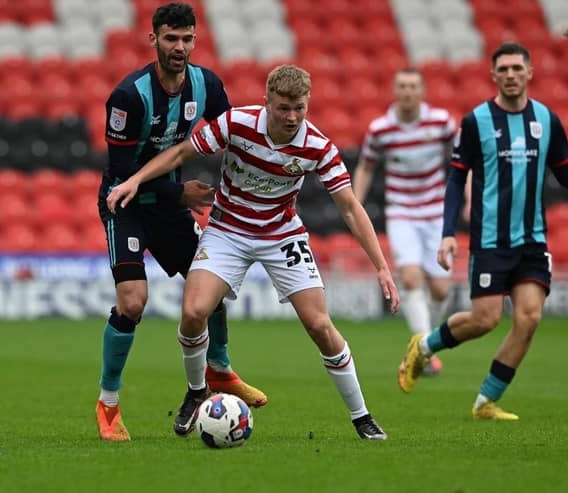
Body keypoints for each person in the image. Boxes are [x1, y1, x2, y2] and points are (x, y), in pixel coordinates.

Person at [106, 64, 400, 440]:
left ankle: (361, 416)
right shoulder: (237, 123)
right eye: (283, 108)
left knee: (319, 326)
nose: (291, 117)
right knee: (194, 311)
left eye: (299, 108)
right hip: (227, 230)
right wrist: (134, 180)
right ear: (267, 102)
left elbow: (349, 207)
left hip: (281, 235)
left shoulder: (318, 146)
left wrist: (381, 267)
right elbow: (182, 153)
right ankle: (197, 392)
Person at [95, 2, 266, 442]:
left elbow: (232, 135)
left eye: (187, 38)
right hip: (126, 205)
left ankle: (221, 371)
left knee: (210, 284)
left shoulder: (206, 84)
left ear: (195, 39)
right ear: (153, 40)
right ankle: (109, 403)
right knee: (133, 303)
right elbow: (120, 174)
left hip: (171, 206)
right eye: (170, 39)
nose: (179, 47)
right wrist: (180, 192)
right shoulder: (129, 97)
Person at [397, 42, 568, 420]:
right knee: (485, 320)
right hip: (491, 240)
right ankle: (424, 346)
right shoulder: (477, 121)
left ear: (529, 73)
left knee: (529, 318)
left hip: (532, 239)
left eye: (517, 68)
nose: (511, 75)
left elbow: (566, 175)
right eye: (504, 69)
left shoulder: (547, 120)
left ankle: (486, 402)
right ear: (493, 75)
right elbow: (455, 178)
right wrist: (448, 232)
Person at [353, 68, 456, 376]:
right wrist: (355, 203)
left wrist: (465, 195)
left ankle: (424, 340)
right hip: (401, 212)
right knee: (410, 278)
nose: (408, 91)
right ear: (395, 91)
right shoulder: (381, 129)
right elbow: (366, 167)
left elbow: (462, 160)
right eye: (402, 86)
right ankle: (423, 351)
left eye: (413, 86)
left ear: (422, 91)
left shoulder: (441, 123)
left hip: (436, 211)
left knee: (439, 290)